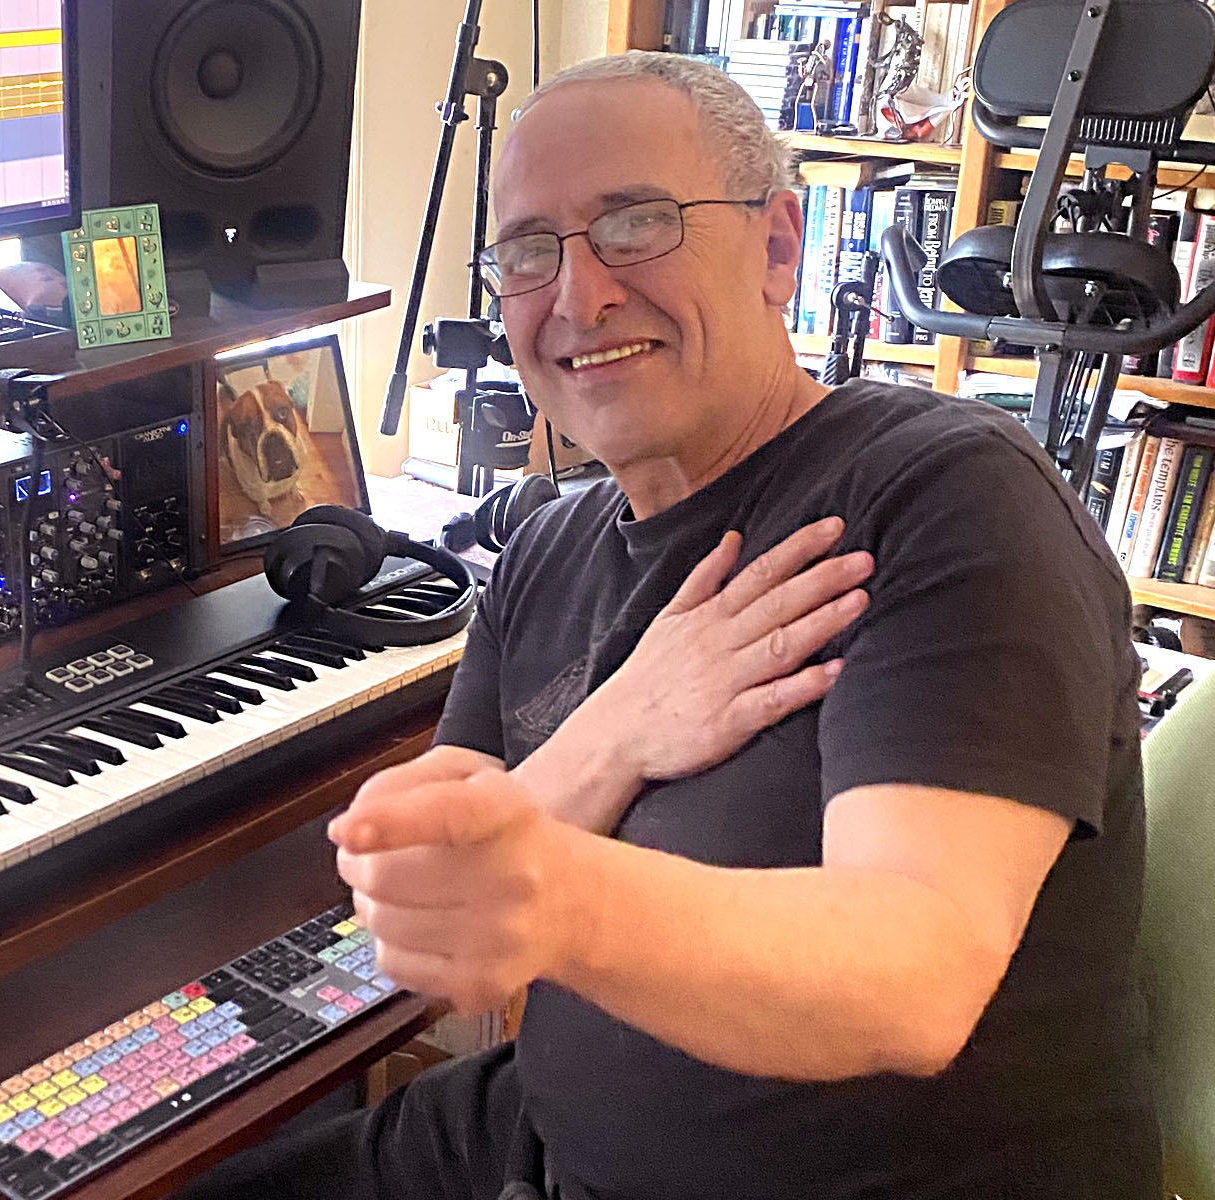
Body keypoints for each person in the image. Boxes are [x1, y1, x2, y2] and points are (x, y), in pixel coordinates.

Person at [176, 51, 1157, 1200]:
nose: (579, 296)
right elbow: (428, 905)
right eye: (530, 250)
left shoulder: (947, 496)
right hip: (543, 1142)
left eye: (637, 223)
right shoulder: (545, 550)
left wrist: (563, 890)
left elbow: (917, 977)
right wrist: (623, 731)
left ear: (779, 248)